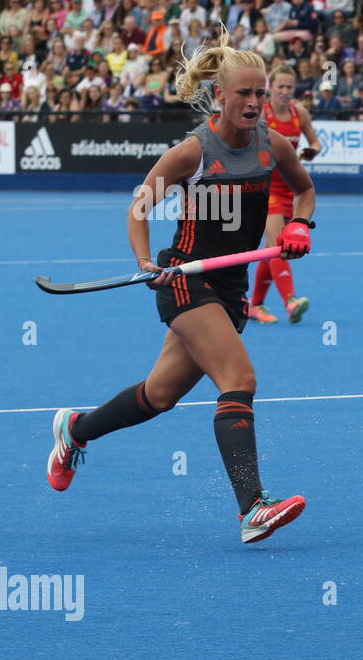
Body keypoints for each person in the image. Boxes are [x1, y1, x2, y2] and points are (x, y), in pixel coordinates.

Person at [45, 30, 316, 543]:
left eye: (261, 93)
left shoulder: (272, 145)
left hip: (230, 289)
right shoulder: (192, 152)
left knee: (159, 395)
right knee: (239, 379)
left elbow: (303, 190)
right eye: (245, 93)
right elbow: (139, 209)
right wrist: (146, 262)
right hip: (185, 279)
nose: (256, 102)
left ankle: (75, 430)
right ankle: (252, 508)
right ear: (219, 95)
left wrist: (301, 226)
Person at [249, 64, 322, 324]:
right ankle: (290, 301)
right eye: (280, 86)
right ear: (271, 88)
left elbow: (315, 142)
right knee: (276, 246)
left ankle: (254, 304)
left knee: (272, 249)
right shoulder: (261, 113)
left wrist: (312, 150)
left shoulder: (298, 112)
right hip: (266, 186)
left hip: (291, 188)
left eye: (289, 87)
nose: (284, 91)